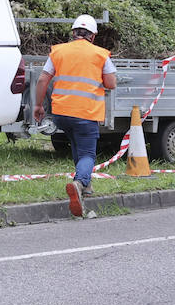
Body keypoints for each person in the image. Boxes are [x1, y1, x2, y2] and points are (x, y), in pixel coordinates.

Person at [33, 14, 117, 217]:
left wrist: (38, 105)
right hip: (86, 113)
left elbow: (43, 79)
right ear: (93, 36)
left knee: (77, 147)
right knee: (88, 154)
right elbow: (111, 84)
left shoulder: (58, 51)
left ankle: (86, 187)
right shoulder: (100, 54)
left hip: (61, 113)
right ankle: (79, 183)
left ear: (73, 33)